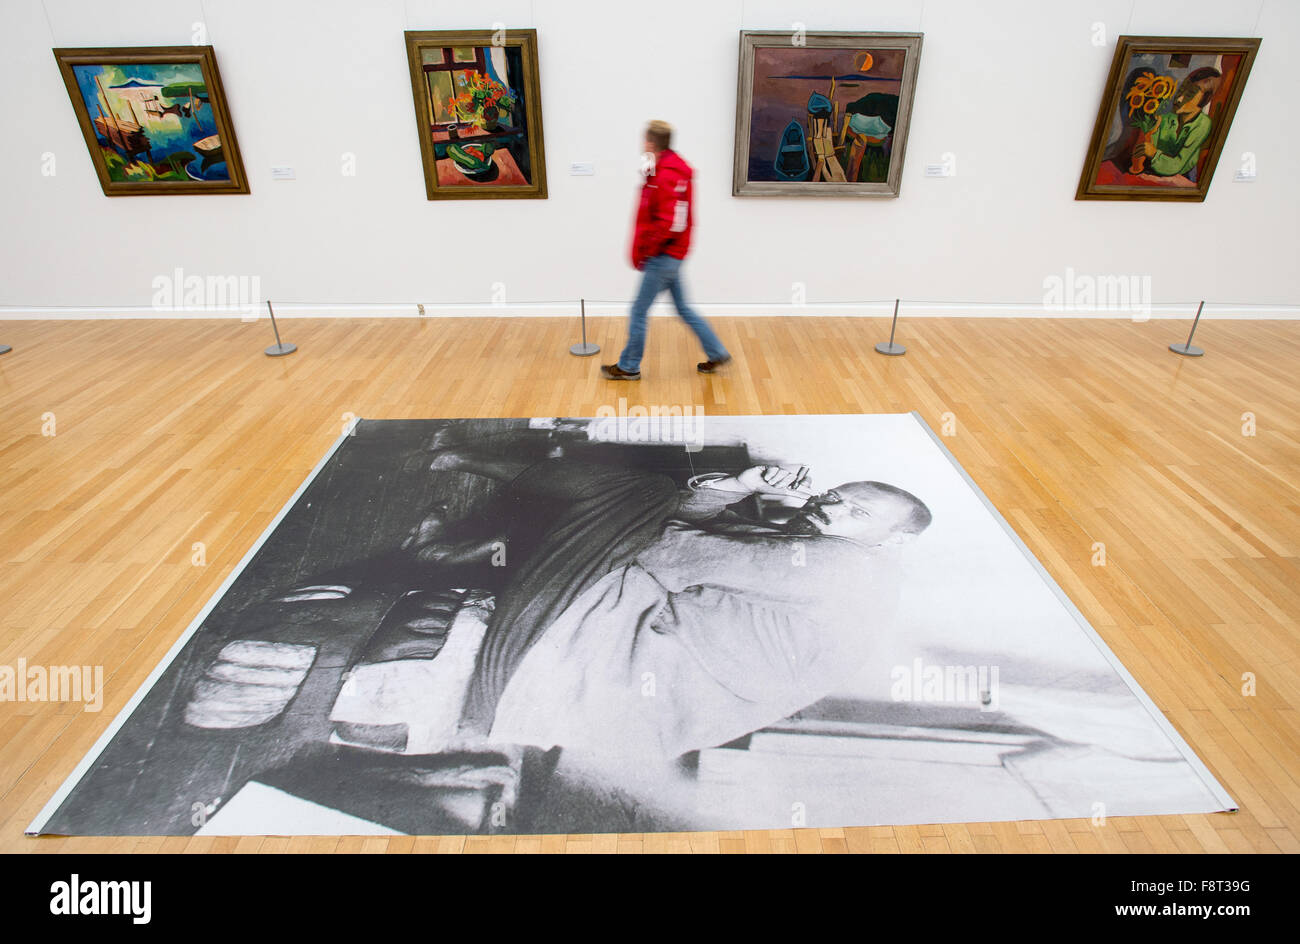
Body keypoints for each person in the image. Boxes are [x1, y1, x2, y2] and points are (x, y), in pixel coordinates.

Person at [434, 446, 932, 760]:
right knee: (638, 505)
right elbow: (687, 530)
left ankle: (458, 462)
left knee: (637, 491)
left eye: (856, 511)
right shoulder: (856, 563)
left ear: (894, 540)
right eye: (834, 496)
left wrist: (722, 493)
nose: (828, 508)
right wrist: (740, 487)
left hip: (556, 667)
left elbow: (664, 544)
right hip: (574, 688)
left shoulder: (839, 567)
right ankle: (458, 546)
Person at [601, 120, 731, 381]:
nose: (642, 145)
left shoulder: (668, 175)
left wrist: (649, 248)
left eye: (644, 140)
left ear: (651, 142)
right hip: (673, 254)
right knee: (683, 307)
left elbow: (671, 221)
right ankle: (717, 352)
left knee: (638, 311)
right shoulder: (666, 171)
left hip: (664, 256)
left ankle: (628, 367)